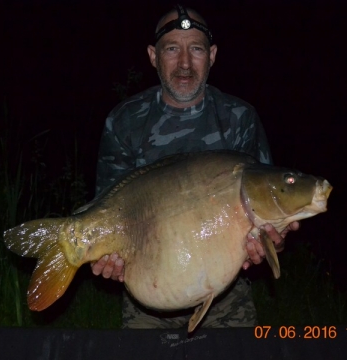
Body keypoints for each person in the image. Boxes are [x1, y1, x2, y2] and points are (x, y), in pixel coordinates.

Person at [91, 4, 299, 329]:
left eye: (196, 49)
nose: (185, 63)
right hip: (150, 287)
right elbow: (108, 210)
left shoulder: (240, 118)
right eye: (172, 49)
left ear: (212, 55)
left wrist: (273, 240)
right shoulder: (124, 122)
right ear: (152, 56)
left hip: (227, 291)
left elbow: (264, 209)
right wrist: (107, 257)